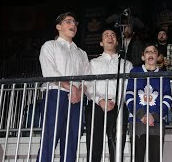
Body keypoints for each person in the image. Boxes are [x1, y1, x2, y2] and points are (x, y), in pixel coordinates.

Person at [37, 12, 90, 162]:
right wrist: (71, 87)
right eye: (68, 21)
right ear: (58, 26)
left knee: (71, 142)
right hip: (55, 94)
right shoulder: (49, 45)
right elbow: (49, 71)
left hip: (76, 98)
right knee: (49, 139)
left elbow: (88, 77)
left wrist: (80, 91)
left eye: (75, 22)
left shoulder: (81, 53)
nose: (73, 25)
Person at [85, 28, 133, 162]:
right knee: (94, 147)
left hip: (118, 107)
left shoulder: (126, 64)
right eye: (106, 35)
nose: (110, 37)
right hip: (96, 106)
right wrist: (100, 100)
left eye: (113, 35)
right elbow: (88, 86)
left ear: (117, 41)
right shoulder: (93, 63)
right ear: (101, 42)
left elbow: (129, 88)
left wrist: (116, 101)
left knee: (117, 147)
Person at [125, 43, 172, 162]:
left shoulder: (164, 75)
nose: (150, 54)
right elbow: (129, 96)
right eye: (147, 51)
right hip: (137, 121)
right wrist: (141, 115)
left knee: (155, 158)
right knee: (137, 158)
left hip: (156, 122)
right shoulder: (134, 72)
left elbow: (168, 98)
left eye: (154, 51)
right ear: (142, 57)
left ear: (158, 57)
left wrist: (154, 116)